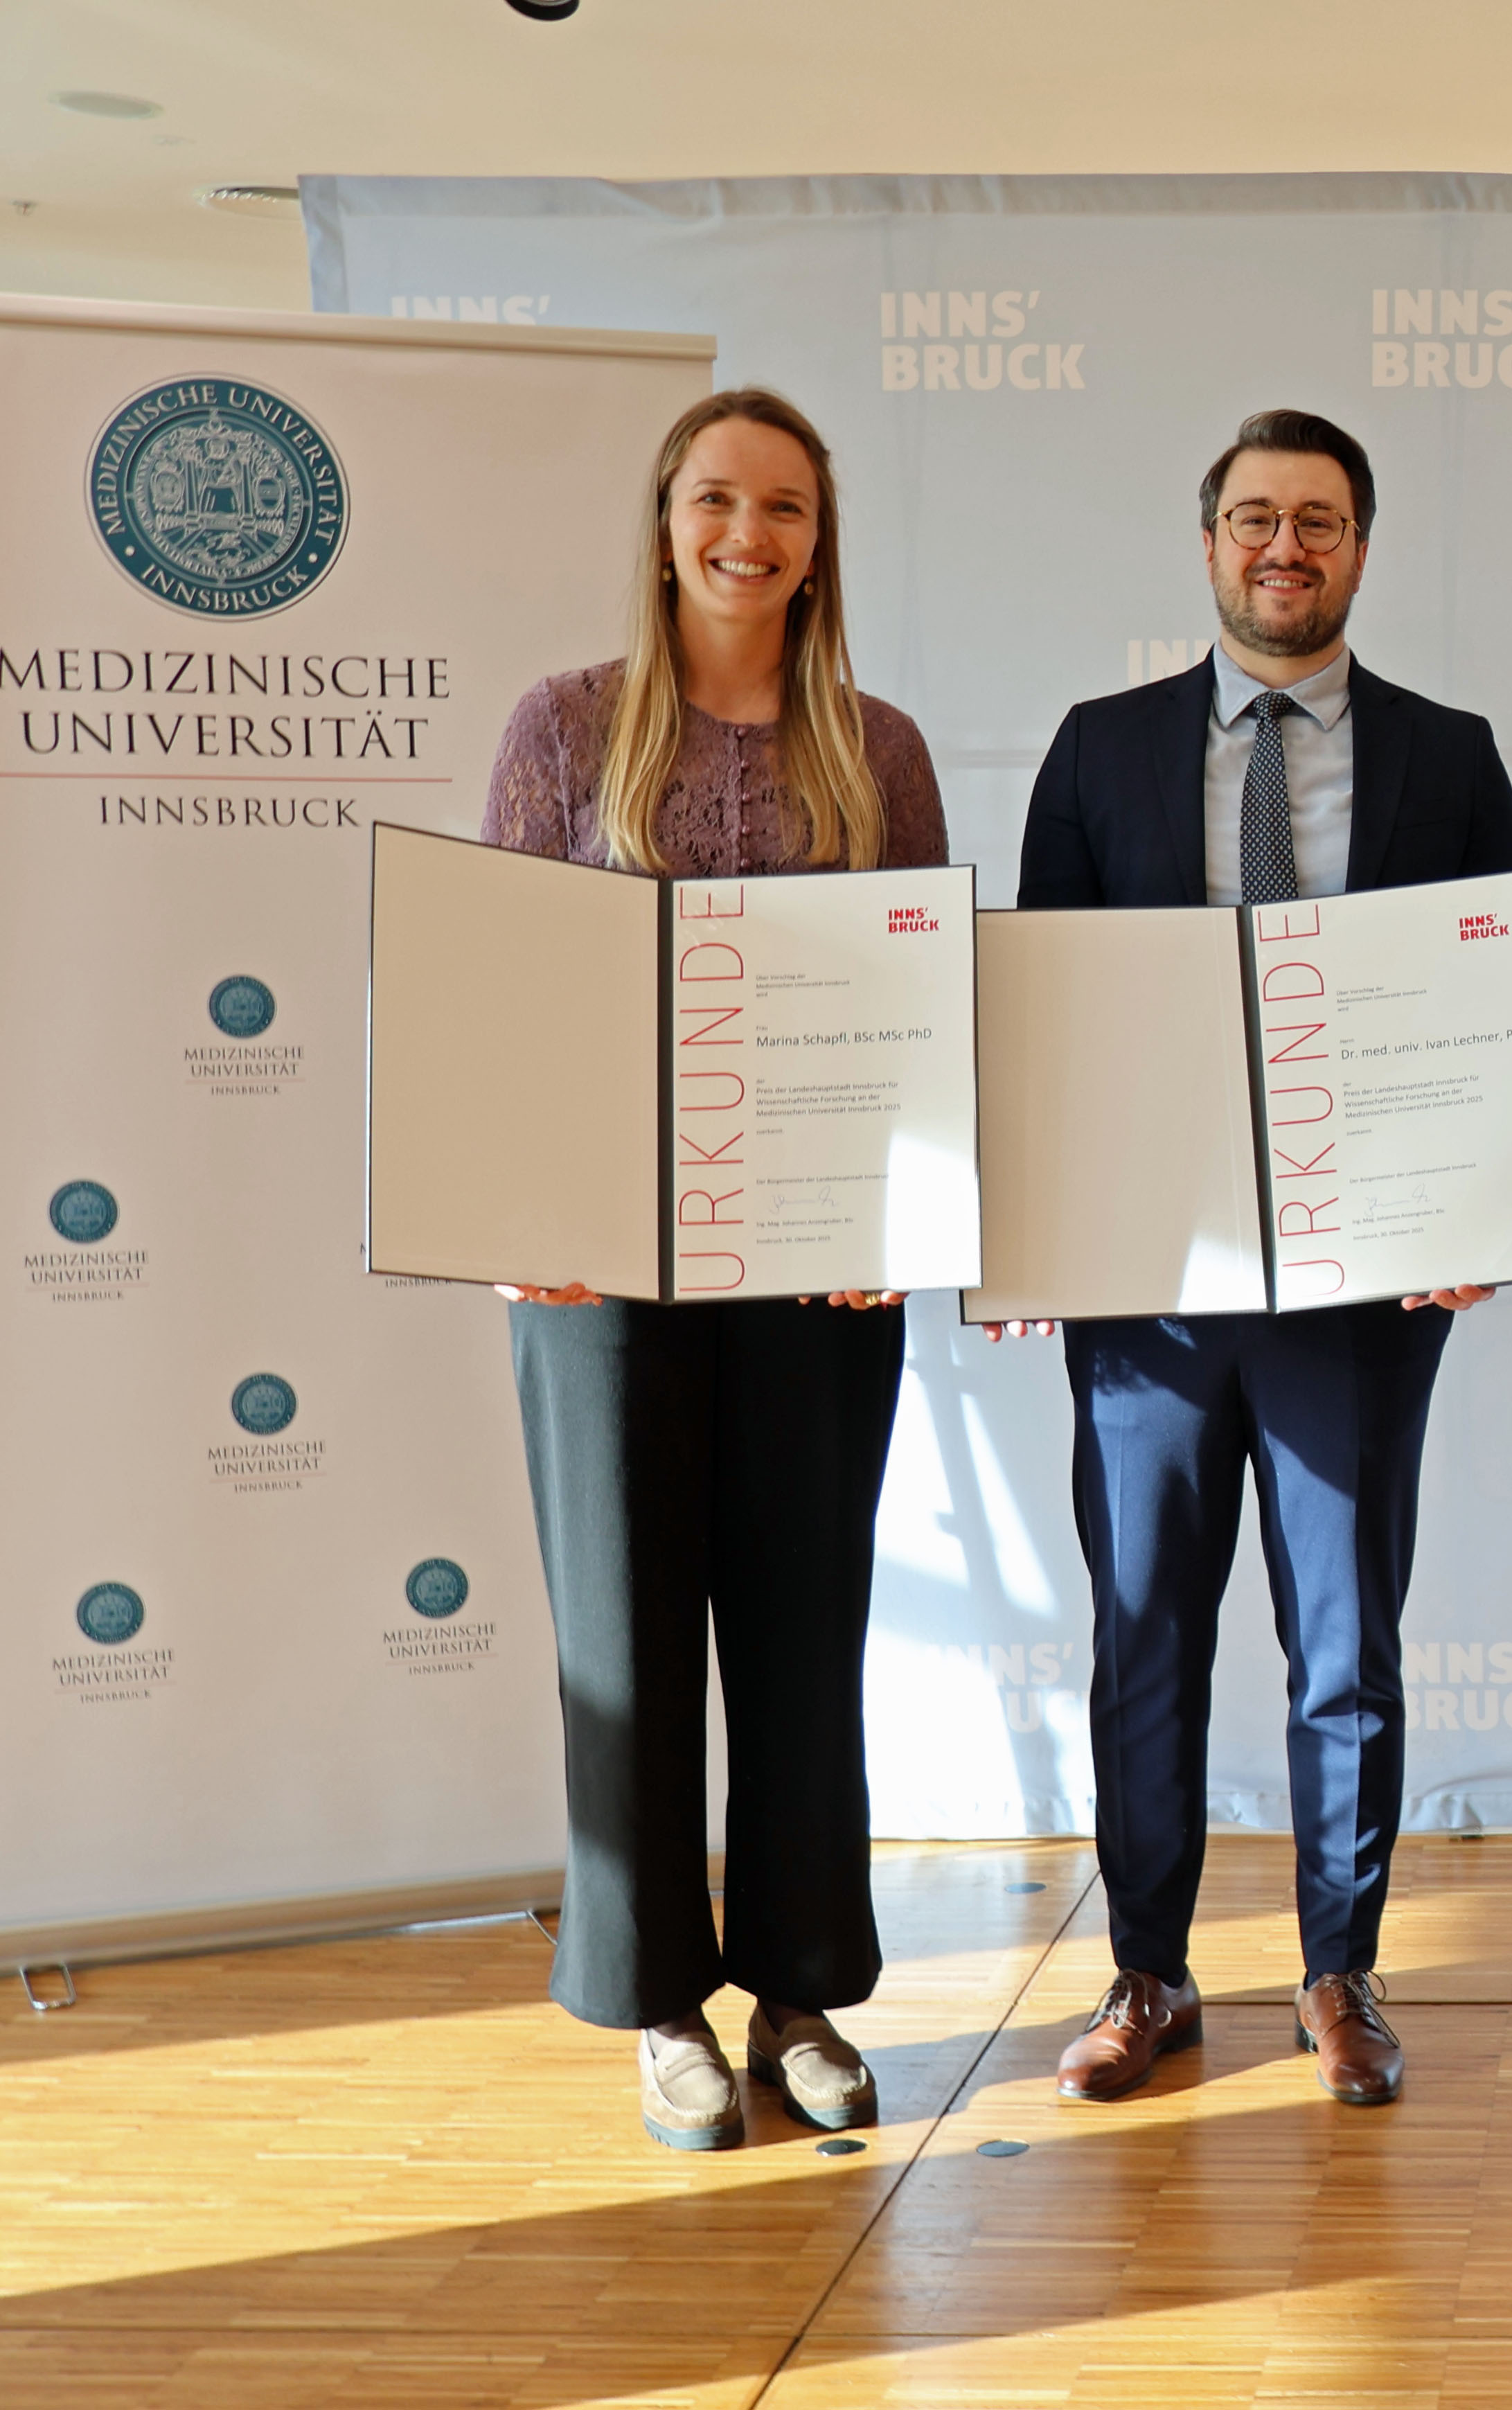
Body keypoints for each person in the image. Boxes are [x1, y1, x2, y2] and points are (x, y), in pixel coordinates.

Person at [990, 409, 1512, 2109]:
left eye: (1317, 522)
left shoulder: (1450, 755)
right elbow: (1046, 1019)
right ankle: (1147, 1974)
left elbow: (1480, 1008)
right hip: (1148, 1288)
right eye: (1251, 520)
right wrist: (1029, 1238)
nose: (1282, 548)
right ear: (1206, 540)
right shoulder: (1098, 749)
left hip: (1360, 1294)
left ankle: (1338, 1972)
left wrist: (1474, 1214)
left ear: (1361, 547)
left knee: (1346, 1644)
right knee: (1144, 1631)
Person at [482, 387, 945, 2152]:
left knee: (803, 1628)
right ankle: (661, 2002)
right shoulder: (566, 726)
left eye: (785, 508)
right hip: (599, 1270)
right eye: (715, 500)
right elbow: (508, 990)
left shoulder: (874, 743)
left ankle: (804, 1994)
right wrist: (519, 1214)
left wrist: (902, 1222)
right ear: (663, 518)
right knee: (624, 1630)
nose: (747, 534)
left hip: (817, 1271)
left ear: (821, 543)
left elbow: (912, 1015)